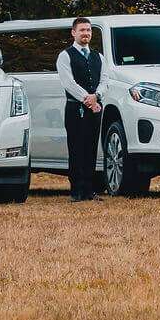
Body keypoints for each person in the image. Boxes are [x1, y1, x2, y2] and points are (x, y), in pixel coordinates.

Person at [56, 17, 104, 202]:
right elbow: (69, 83)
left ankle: (89, 190)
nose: (86, 33)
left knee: (91, 148)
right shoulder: (65, 56)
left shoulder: (98, 57)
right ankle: (76, 191)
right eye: (82, 30)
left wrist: (96, 96)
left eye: (89, 30)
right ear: (73, 33)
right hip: (76, 108)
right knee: (76, 148)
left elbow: (104, 80)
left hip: (95, 107)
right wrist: (87, 99)